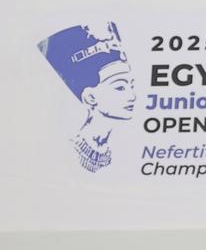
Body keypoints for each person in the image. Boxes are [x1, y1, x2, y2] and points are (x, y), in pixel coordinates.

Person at [38, 22, 137, 173]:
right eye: (120, 87)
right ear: (90, 97)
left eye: (132, 86)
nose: (132, 96)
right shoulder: (65, 151)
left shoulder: (120, 151)